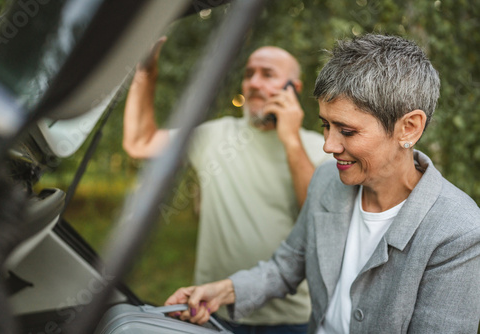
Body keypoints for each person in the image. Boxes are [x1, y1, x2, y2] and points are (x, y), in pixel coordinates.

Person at [164, 34, 480, 333]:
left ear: (409, 128)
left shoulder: (458, 231)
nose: (329, 146)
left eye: (347, 131)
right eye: (326, 125)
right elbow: (287, 266)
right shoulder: (327, 180)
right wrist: (223, 291)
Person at [123, 38, 332, 333]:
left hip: (290, 319)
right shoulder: (215, 134)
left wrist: (290, 140)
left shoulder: (321, 148)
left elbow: (318, 215)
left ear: (293, 89)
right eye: (249, 74)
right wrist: (146, 74)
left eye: (268, 74)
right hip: (214, 309)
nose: (254, 83)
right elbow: (139, 143)